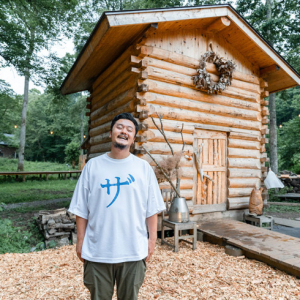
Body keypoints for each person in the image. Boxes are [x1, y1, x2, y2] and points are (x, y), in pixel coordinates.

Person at [68, 112, 165, 300]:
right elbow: (81, 208)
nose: (124, 132)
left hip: (133, 251)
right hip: (98, 252)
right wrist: (80, 241)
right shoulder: (93, 166)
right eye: (119, 127)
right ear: (111, 132)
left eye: (129, 129)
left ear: (133, 137)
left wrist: (151, 241)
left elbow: (151, 209)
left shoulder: (143, 168)